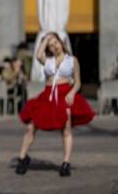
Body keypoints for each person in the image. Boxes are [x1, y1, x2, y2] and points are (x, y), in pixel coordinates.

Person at [16, 32, 96, 177]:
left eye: (56, 42)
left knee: (66, 129)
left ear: (61, 42)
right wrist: (46, 38)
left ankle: (66, 163)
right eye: (51, 45)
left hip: (65, 95)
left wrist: (72, 93)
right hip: (47, 96)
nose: (54, 46)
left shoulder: (72, 60)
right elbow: (38, 55)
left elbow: (77, 82)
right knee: (32, 126)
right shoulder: (47, 60)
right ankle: (22, 158)